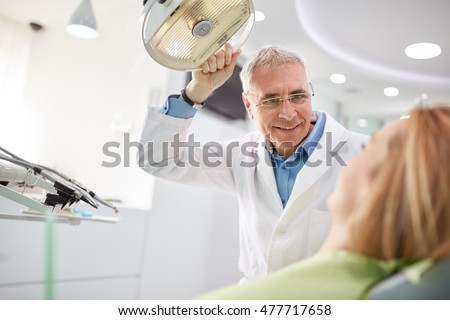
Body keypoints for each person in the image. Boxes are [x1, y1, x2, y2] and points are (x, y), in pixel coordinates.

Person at [138, 44, 367, 281]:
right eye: (271, 101)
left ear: (309, 92)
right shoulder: (242, 155)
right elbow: (156, 159)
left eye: (298, 96)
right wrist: (197, 90)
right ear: (248, 106)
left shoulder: (367, 154)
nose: (288, 114)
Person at [197, 104, 450, 299]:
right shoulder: (410, 276)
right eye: (271, 100)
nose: (287, 112)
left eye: (368, 148)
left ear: (376, 183)